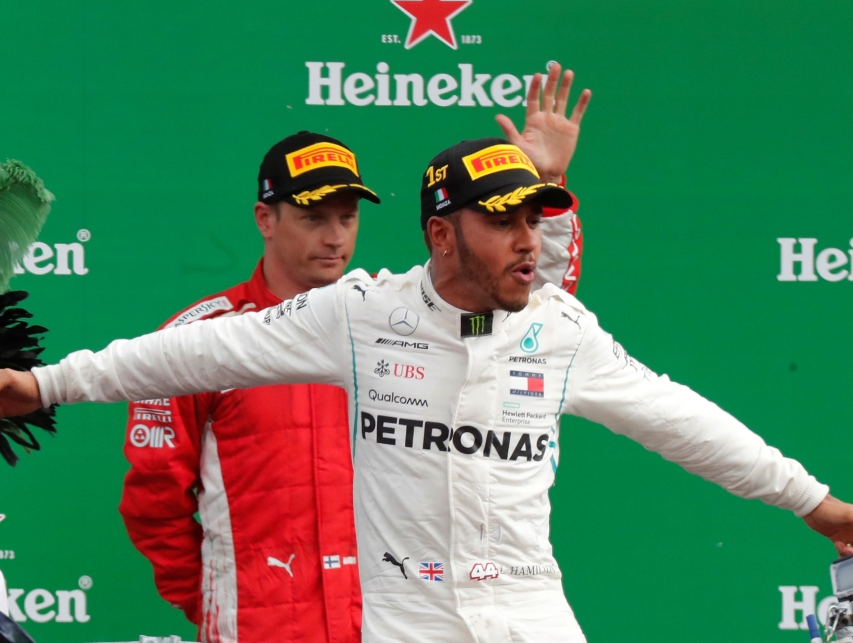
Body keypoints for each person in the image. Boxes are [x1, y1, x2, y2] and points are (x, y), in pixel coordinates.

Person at [0, 138, 853, 641]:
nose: (528, 241)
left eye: (537, 219)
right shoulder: (360, 316)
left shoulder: (559, 331)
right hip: (404, 623)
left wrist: (811, 501)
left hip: (530, 614)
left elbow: (682, 421)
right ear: (441, 235)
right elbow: (192, 358)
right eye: (502, 222)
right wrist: (45, 383)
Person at [117, 66, 591, 643]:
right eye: (314, 217)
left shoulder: (397, 318)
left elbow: (526, 304)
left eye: (347, 216)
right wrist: (229, 603)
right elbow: (153, 505)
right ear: (265, 219)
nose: (335, 236)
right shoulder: (204, 336)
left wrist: (546, 182)